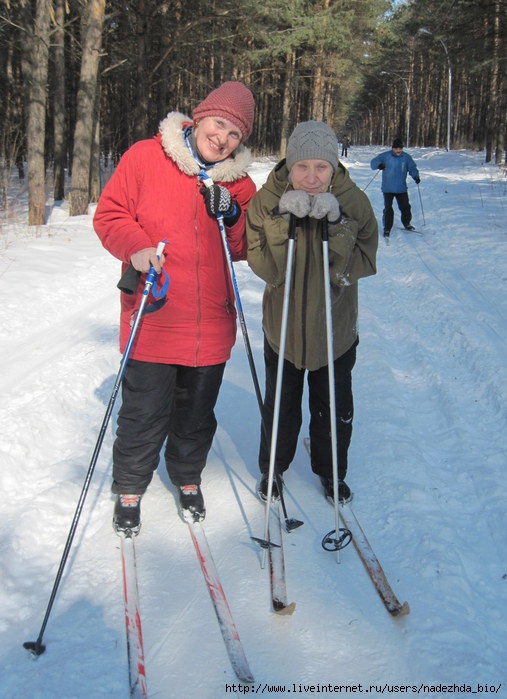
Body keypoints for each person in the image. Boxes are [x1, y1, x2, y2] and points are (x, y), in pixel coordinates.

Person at [93, 81, 256, 533]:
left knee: (195, 416)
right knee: (143, 415)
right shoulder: (146, 156)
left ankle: (187, 479)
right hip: (155, 317)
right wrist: (138, 247)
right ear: (201, 116)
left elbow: (245, 248)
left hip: (210, 326)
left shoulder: (239, 184)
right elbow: (110, 215)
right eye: (219, 124)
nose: (222, 138)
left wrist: (233, 215)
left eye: (235, 135)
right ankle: (129, 488)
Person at [246, 121, 378, 505]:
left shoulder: (353, 200)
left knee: (333, 409)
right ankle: (273, 470)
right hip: (282, 329)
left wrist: (337, 225)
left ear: (334, 167)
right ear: (290, 164)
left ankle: (332, 473)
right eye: (303, 166)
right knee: (281, 408)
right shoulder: (268, 197)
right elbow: (263, 262)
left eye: (322, 167)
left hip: (334, 331)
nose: (311, 176)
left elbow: (365, 258)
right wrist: (280, 223)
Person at [370, 138, 420, 238]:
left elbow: (412, 167)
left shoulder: (406, 158)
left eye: (400, 148)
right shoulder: (386, 156)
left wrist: (416, 176)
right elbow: (373, 162)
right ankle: (387, 228)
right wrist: (379, 165)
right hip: (388, 188)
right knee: (388, 209)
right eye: (396, 148)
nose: (398, 151)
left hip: (401, 188)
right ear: (392, 148)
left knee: (405, 207)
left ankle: (407, 223)